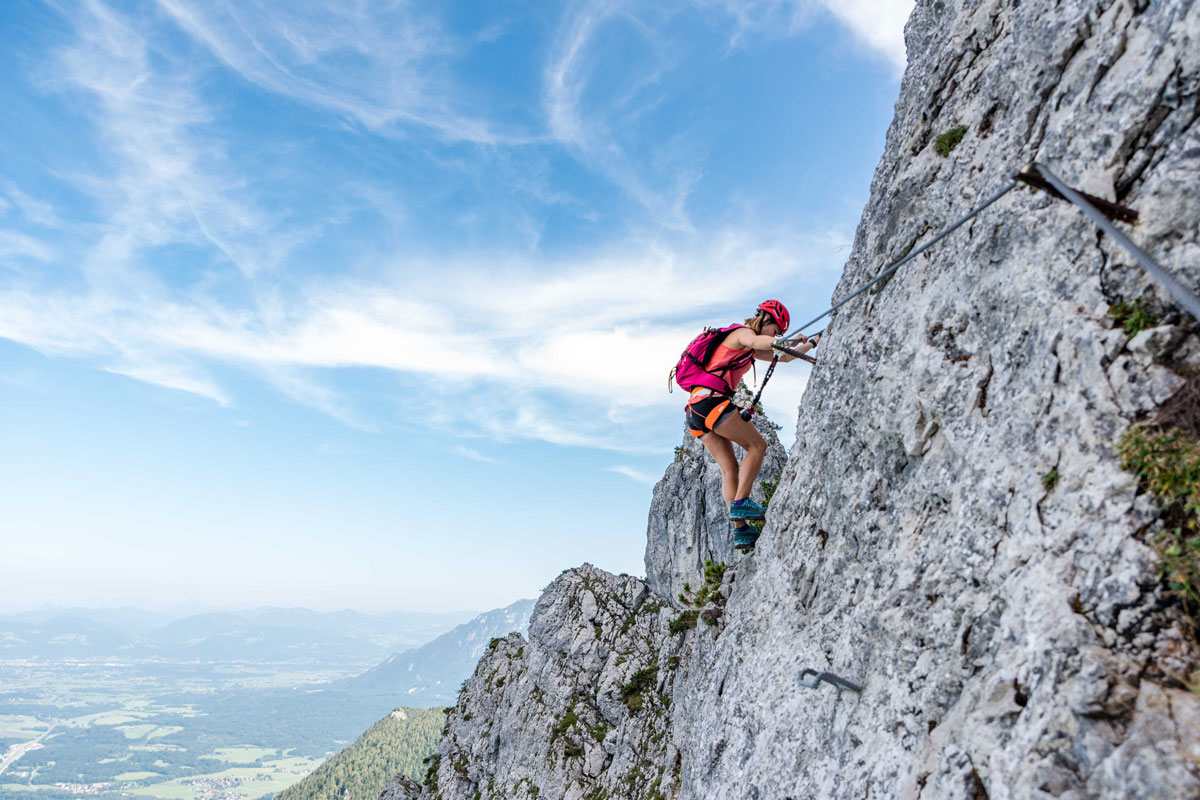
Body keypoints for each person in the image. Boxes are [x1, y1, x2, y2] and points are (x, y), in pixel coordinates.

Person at [682, 299, 817, 548]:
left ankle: (741, 531)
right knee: (757, 446)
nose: (775, 335)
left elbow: (783, 358)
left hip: (696, 411)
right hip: (712, 403)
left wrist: (809, 343)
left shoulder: (750, 347)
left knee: (729, 468)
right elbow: (759, 342)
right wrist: (785, 341)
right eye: (775, 330)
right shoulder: (741, 333)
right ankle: (742, 502)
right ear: (765, 320)